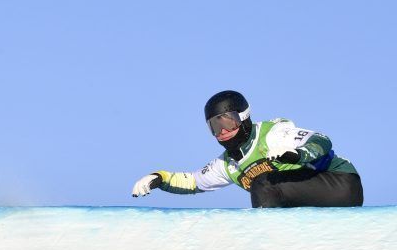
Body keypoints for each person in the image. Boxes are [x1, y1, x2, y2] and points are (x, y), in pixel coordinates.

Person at [131, 90, 363, 207]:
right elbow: (192, 181)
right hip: (309, 197)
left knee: (263, 183)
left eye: (227, 122)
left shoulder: (273, 134)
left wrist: (299, 154)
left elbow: (322, 141)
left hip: (340, 183)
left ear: (243, 118)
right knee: (264, 185)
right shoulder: (227, 164)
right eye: (215, 126)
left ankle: (267, 249)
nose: (222, 132)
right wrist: (159, 177)